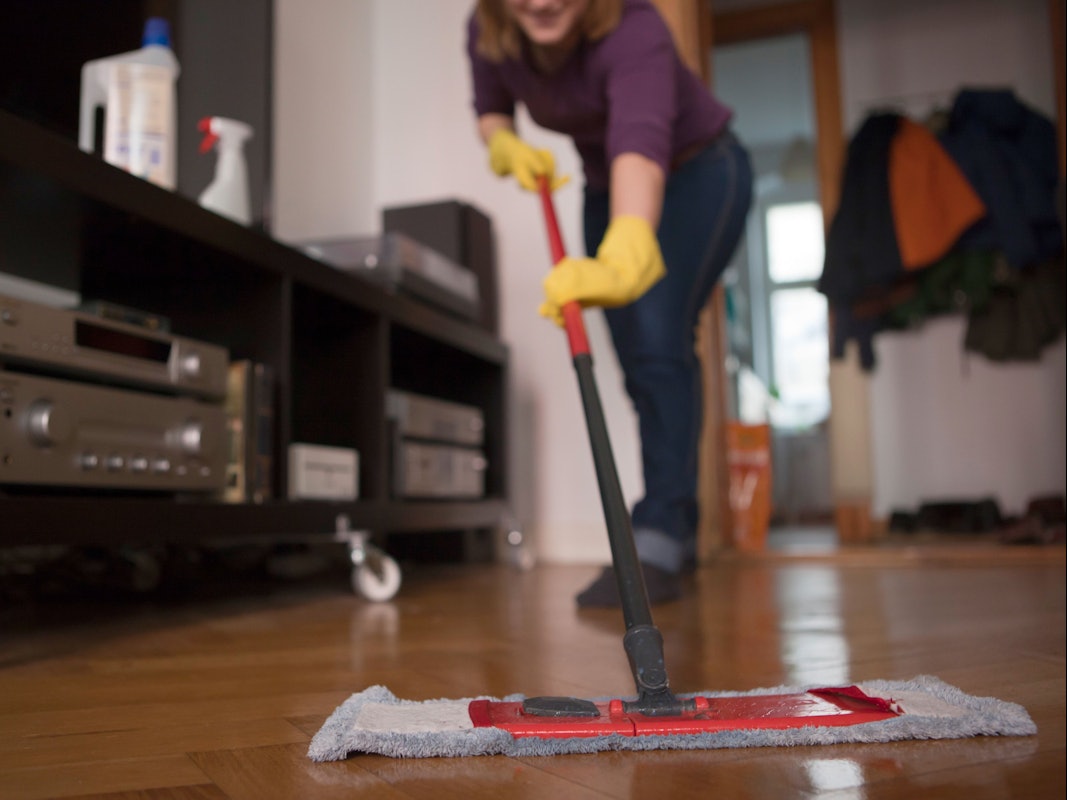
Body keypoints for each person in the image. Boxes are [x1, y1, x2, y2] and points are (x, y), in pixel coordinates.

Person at [467, 0, 752, 606]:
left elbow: (639, 146)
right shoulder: (490, 29)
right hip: (604, 186)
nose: (540, 2)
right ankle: (676, 526)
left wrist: (628, 245)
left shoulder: (635, 28)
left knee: (657, 339)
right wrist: (505, 147)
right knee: (638, 358)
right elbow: (490, 111)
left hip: (697, 172)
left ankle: (658, 538)